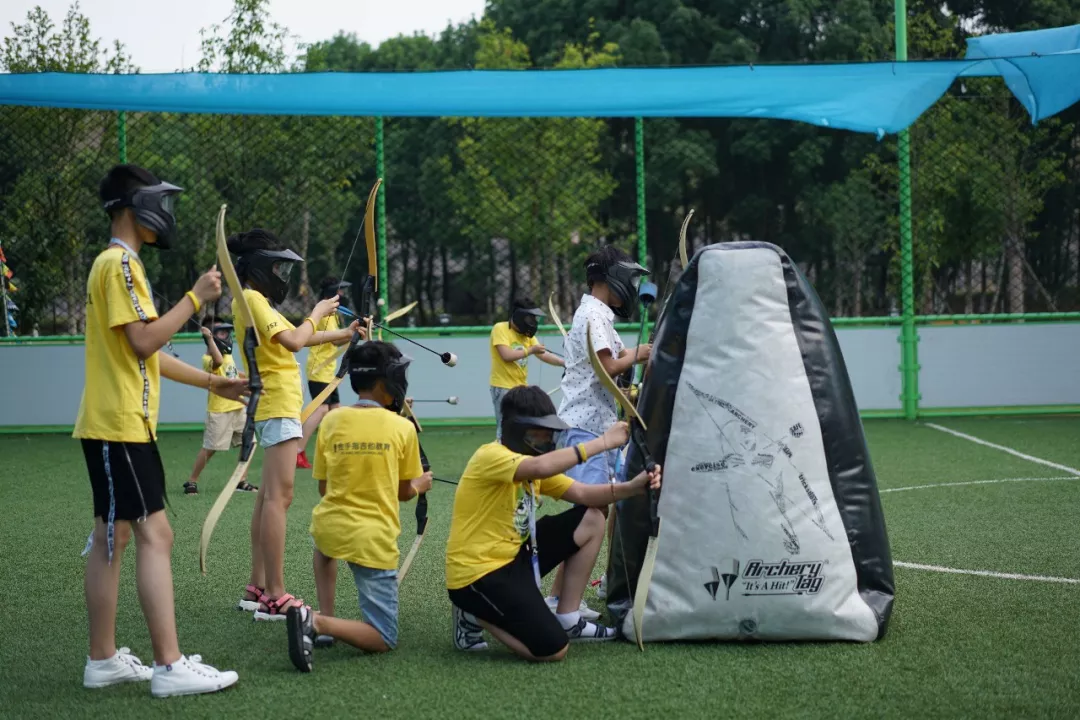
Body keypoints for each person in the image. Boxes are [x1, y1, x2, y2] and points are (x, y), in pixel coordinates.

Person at [76, 164, 245, 696]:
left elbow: (146, 349)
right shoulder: (120, 265)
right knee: (153, 533)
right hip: (119, 425)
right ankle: (169, 666)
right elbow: (147, 343)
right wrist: (195, 297)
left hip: (121, 424)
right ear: (134, 206)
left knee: (115, 534)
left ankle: (102, 659)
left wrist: (212, 384)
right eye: (160, 202)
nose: (166, 215)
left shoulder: (120, 266)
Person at [446, 386, 662, 661]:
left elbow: (583, 493)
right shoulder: (492, 456)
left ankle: (569, 616)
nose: (546, 440)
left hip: (515, 559)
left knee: (593, 517)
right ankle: (474, 612)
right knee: (553, 650)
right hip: (478, 574)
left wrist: (633, 487)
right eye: (539, 433)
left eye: (549, 433)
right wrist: (602, 442)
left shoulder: (534, 463)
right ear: (516, 430)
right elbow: (540, 468)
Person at [228, 229, 364, 621]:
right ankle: (274, 594)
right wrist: (317, 312)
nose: (281, 274)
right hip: (276, 404)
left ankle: (258, 587)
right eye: (276, 265)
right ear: (256, 267)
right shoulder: (252, 298)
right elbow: (293, 339)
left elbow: (301, 337)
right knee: (279, 499)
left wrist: (346, 332)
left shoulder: (252, 300)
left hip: (276, 403)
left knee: (268, 496)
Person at [286, 342, 432, 671]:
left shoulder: (333, 420)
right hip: (372, 539)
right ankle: (318, 623)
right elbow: (405, 493)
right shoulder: (403, 428)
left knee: (325, 548)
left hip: (329, 527)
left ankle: (326, 619)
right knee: (383, 637)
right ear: (387, 382)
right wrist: (421, 484)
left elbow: (325, 487)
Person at [549, 245, 651, 612]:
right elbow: (608, 366)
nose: (634, 287)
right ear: (614, 278)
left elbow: (617, 366)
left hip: (598, 430)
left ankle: (561, 598)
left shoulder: (597, 315)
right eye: (631, 278)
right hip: (586, 430)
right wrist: (640, 354)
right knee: (590, 515)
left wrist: (639, 361)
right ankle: (565, 607)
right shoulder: (592, 314)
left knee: (598, 512)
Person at [183, 319, 257, 495]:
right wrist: (209, 339)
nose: (227, 336)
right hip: (219, 411)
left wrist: (247, 376)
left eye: (227, 333)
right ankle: (192, 481)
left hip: (238, 408)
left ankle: (241, 480)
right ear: (211, 337)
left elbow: (231, 371)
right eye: (221, 333)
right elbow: (217, 361)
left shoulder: (228, 356)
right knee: (211, 448)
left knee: (249, 442)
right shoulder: (208, 359)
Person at [297, 276, 353, 469]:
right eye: (341, 291)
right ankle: (297, 451)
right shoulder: (326, 314)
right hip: (319, 368)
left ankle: (337, 451)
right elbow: (336, 340)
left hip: (328, 370)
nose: (343, 294)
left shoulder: (334, 313)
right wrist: (352, 333)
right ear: (333, 293)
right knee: (321, 409)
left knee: (335, 408)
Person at [489, 297, 564, 440]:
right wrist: (530, 350)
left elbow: (543, 354)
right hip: (502, 387)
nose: (533, 323)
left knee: (523, 428)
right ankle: (502, 457)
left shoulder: (525, 335)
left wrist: (564, 363)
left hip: (520, 389)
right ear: (519, 316)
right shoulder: (500, 328)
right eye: (530, 318)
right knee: (505, 428)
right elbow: (506, 355)